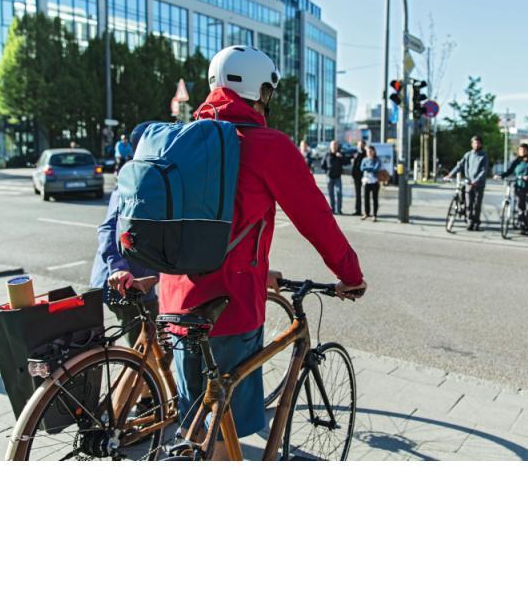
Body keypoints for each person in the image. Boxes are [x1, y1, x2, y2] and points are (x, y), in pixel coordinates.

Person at [113, 46, 367, 461]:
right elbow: (317, 221)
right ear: (259, 90)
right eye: (268, 90)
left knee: (197, 422)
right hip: (229, 307)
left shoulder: (183, 142)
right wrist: (350, 275)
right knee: (219, 431)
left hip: (175, 299)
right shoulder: (268, 145)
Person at [92, 121, 161, 346]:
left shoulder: (154, 176)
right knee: (144, 355)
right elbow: (109, 227)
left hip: (140, 279)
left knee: (151, 352)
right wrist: (118, 267)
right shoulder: (133, 179)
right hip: (125, 282)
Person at [494, 143, 528, 236]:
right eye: (520, 150)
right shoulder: (516, 162)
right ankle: (522, 226)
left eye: (524, 150)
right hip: (519, 187)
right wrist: (500, 176)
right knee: (520, 208)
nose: (522, 151)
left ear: (527, 151)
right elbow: (509, 171)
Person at [444, 136, 489, 231]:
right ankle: (470, 222)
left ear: (481, 144)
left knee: (476, 205)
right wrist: (451, 174)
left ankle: (476, 223)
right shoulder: (468, 155)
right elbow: (460, 165)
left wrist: (476, 181)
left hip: (478, 185)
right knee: (468, 204)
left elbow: (484, 171)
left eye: (478, 143)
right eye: (475, 143)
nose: (476, 145)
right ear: (472, 144)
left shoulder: (483, 157)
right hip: (468, 184)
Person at [321, 139, 347, 215]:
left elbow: (346, 162)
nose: (334, 146)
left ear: (337, 146)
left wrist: (341, 157)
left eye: (335, 145)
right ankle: (332, 208)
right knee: (331, 193)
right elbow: (323, 164)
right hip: (329, 177)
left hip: (338, 177)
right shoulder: (327, 154)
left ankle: (339, 209)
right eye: (333, 145)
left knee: (339, 193)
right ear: (330, 146)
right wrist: (326, 172)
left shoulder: (340, 154)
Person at [360, 145, 382, 222]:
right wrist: (372, 168)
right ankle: (367, 213)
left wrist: (368, 168)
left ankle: (374, 214)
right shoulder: (364, 159)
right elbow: (362, 168)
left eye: (371, 151)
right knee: (366, 198)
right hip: (366, 181)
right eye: (368, 151)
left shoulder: (377, 159)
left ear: (374, 151)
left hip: (375, 181)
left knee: (375, 199)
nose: (369, 153)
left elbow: (376, 168)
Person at [351, 140, 367, 216]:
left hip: (364, 177)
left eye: (361, 145)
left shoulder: (366, 153)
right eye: (359, 145)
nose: (360, 146)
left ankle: (367, 211)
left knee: (366, 194)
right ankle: (358, 210)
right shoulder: (356, 153)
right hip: (356, 176)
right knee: (358, 194)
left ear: (364, 145)